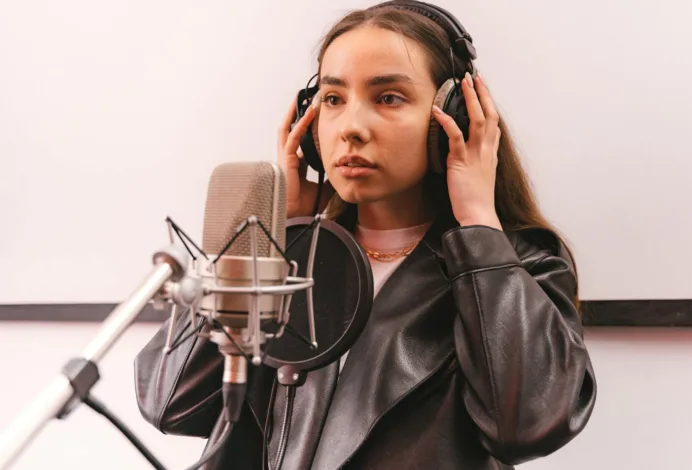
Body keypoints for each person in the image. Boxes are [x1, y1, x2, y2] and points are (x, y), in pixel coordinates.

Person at [133, 2, 597, 469]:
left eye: (389, 98)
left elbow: (528, 424)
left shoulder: (517, 264)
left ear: (453, 116)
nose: (351, 128)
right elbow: (170, 403)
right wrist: (271, 234)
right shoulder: (290, 258)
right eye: (333, 99)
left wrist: (478, 225)